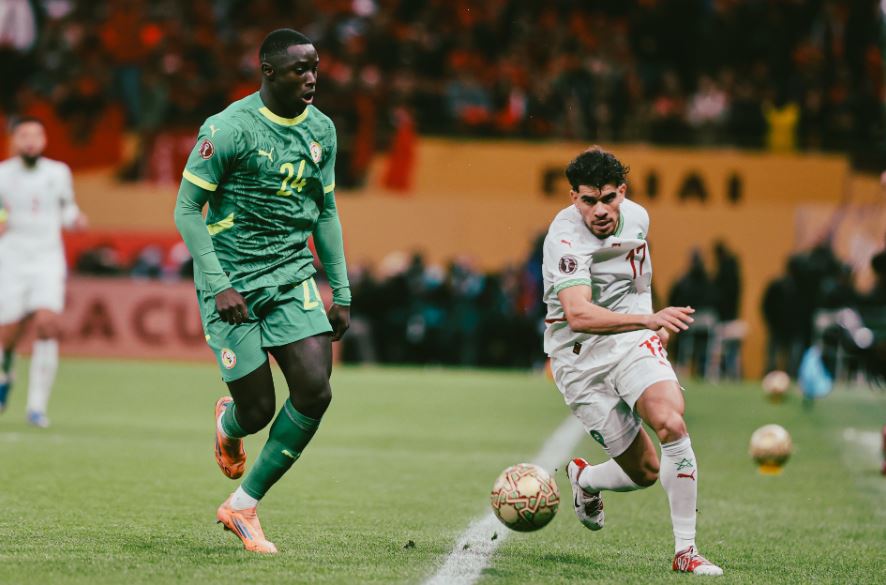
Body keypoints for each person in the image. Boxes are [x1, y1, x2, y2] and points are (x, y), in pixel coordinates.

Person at [173, 29, 350, 555]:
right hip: (233, 286)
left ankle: (243, 505)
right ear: (268, 72)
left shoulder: (322, 130)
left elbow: (326, 211)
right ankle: (229, 421)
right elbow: (186, 211)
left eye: (315, 66)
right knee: (258, 412)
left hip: (292, 277)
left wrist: (339, 287)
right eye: (299, 68)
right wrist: (219, 283)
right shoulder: (227, 129)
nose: (311, 77)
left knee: (316, 390)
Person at [542, 147, 723, 576]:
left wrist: (650, 328)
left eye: (608, 198)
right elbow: (578, 314)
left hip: (631, 341)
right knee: (644, 471)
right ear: (573, 198)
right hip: (578, 358)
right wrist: (648, 317)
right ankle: (585, 479)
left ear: (622, 192)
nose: (600, 209)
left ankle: (686, 552)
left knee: (671, 424)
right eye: (589, 200)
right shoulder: (564, 239)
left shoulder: (639, 218)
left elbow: (637, 276)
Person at [0, 117, 86, 427]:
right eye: (24, 135)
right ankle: (7, 370)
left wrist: (74, 217)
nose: (31, 140)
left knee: (47, 323)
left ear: (45, 140)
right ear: (14, 140)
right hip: (11, 258)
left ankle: (36, 407)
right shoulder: (3, 175)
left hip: (47, 257)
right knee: (8, 333)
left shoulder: (57, 172)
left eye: (37, 134)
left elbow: (66, 207)